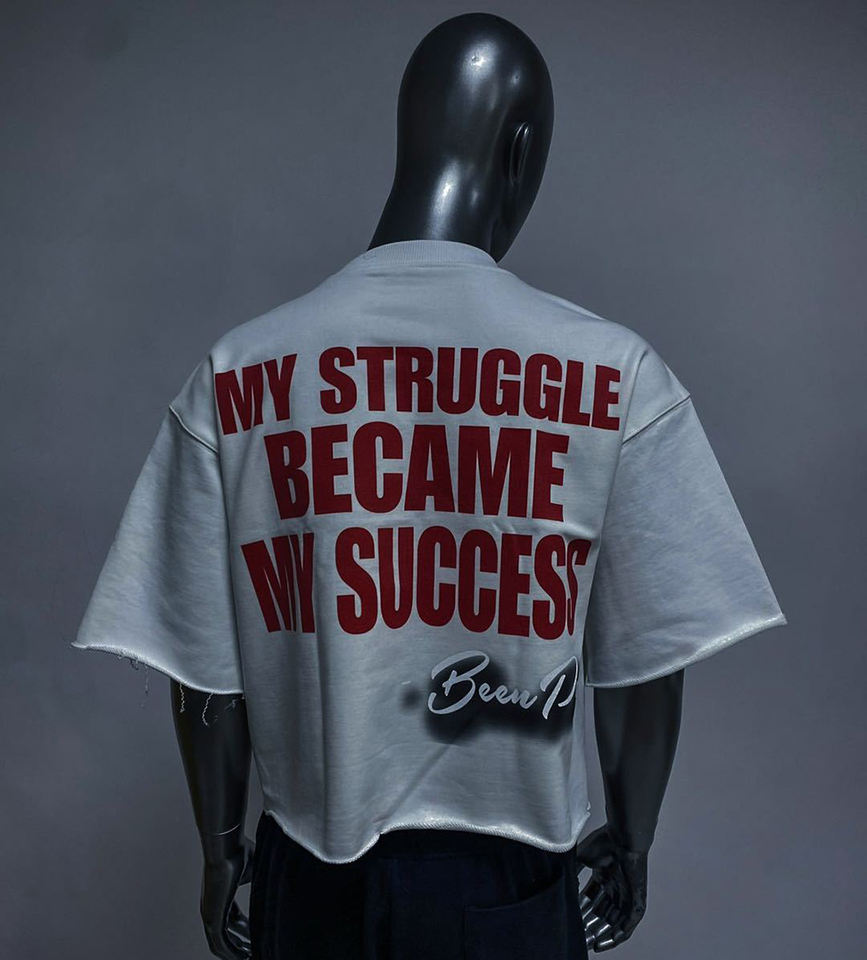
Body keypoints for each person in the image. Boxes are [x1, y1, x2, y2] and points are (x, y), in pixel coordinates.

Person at [71, 13, 787, 960]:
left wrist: (219, 846)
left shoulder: (240, 374)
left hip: (307, 876)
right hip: (510, 878)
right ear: (520, 151)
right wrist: (633, 836)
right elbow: (646, 662)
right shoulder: (616, 375)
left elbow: (204, 670)